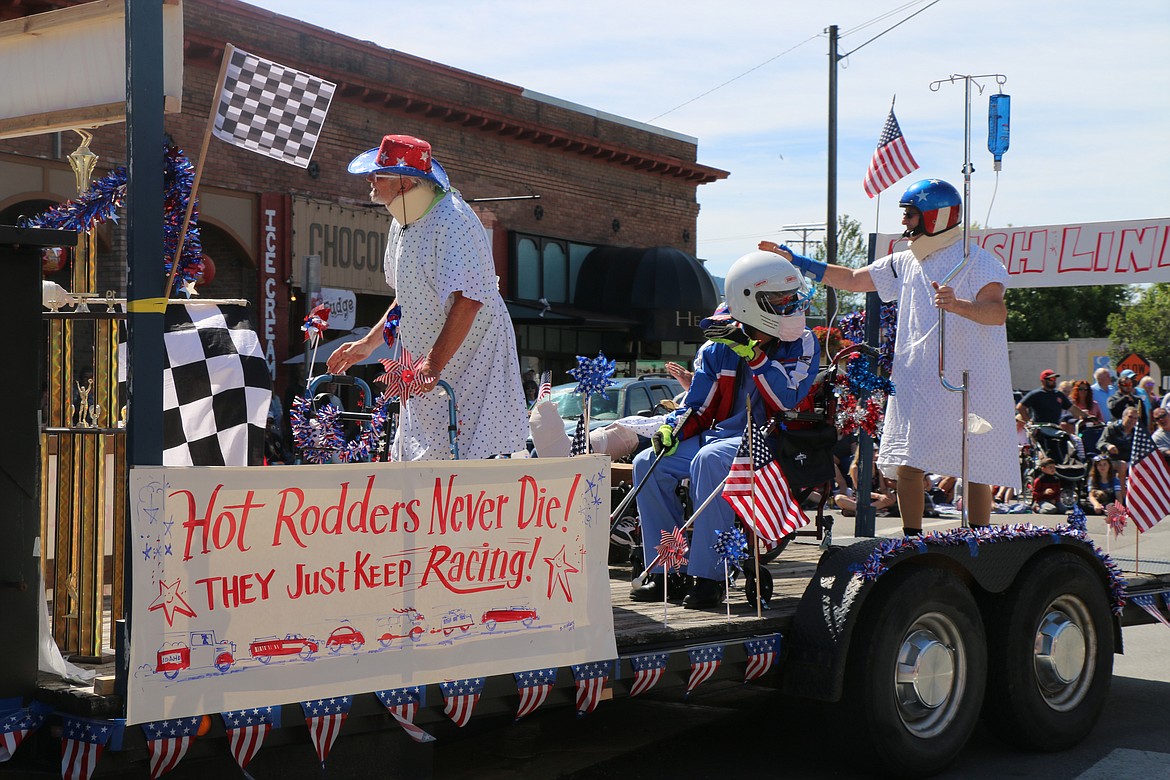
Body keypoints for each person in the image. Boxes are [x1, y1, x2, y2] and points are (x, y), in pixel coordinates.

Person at [760, 178, 1018, 534]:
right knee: (908, 464)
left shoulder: (976, 260)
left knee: (974, 466)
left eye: (910, 214)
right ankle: (912, 541)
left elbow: (996, 312)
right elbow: (852, 279)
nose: (904, 222)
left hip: (966, 379)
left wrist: (957, 305)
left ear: (936, 216)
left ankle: (979, 539)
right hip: (916, 378)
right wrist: (797, 261)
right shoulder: (905, 262)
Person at [630, 250, 819, 609]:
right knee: (647, 462)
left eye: (793, 297)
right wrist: (673, 428)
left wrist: (753, 354)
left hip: (772, 442)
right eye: (780, 300)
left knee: (709, 459)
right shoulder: (716, 349)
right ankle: (668, 569)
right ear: (749, 303)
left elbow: (787, 401)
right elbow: (697, 408)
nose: (792, 306)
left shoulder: (803, 342)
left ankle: (709, 577)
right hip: (720, 439)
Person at [327, 134, 528, 460]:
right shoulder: (401, 221)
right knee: (424, 459)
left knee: (468, 459)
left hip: (474, 360)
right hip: (431, 365)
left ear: (405, 183)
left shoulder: (453, 221)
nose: (369, 180)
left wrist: (433, 364)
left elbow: (470, 300)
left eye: (379, 174)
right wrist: (368, 343)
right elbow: (404, 300)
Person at [1017, 369, 1086, 426]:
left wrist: (1087, 417)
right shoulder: (1036, 394)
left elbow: (1072, 408)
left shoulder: (1059, 395)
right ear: (1043, 380)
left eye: (1055, 379)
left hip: (1055, 427)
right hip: (1039, 428)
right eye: (1051, 379)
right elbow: (1020, 407)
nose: (1054, 381)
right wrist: (1029, 422)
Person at [1099, 405, 1141, 496]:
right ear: (1123, 417)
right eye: (1130, 417)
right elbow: (1100, 443)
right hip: (1113, 460)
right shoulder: (1111, 428)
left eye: (1135, 418)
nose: (1132, 420)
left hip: (1130, 460)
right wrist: (1108, 446)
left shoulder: (1136, 432)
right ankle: (1122, 494)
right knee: (1122, 465)